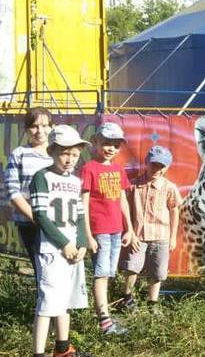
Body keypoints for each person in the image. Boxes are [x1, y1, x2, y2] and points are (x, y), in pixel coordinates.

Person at [30, 125, 92, 357]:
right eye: (64, 153)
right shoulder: (42, 177)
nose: (69, 159)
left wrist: (82, 242)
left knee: (64, 301)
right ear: (52, 151)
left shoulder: (75, 181)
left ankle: (63, 349)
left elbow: (80, 215)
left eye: (74, 154)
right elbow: (40, 215)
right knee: (47, 304)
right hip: (51, 249)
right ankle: (38, 353)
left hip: (73, 249)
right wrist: (63, 243)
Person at [81, 122, 135, 335]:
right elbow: (84, 204)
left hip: (116, 231)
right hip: (99, 231)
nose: (111, 148)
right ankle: (104, 320)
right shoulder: (89, 168)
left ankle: (105, 314)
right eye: (106, 143)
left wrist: (129, 228)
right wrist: (88, 234)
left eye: (116, 145)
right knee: (101, 273)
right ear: (95, 142)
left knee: (109, 273)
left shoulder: (118, 169)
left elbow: (123, 200)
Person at [120, 145, 182, 313]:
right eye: (154, 164)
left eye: (161, 166)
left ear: (167, 167)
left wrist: (173, 237)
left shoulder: (169, 187)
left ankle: (152, 303)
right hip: (138, 236)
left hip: (161, 236)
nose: (157, 169)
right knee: (132, 267)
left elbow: (174, 210)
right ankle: (127, 298)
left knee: (157, 272)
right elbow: (124, 206)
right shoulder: (134, 185)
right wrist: (129, 231)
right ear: (146, 163)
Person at [4, 107, 53, 281]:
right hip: (30, 223)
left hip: (58, 224)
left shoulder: (59, 153)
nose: (40, 131)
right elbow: (12, 191)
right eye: (34, 126)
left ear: (52, 127)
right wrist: (37, 218)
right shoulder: (19, 154)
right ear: (26, 129)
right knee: (42, 272)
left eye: (45, 126)